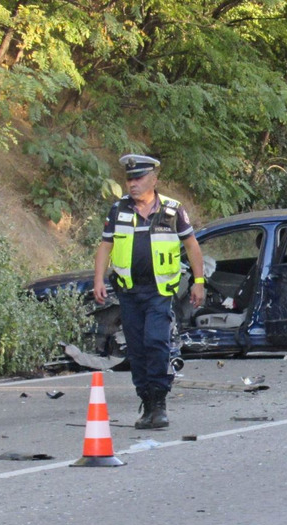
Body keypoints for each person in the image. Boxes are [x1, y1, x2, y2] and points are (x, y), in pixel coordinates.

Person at [93, 154, 205, 429]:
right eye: (129, 179)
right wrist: (97, 279)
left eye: (138, 178)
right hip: (129, 293)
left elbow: (191, 245)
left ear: (153, 180)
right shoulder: (118, 211)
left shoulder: (172, 210)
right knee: (137, 350)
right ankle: (146, 402)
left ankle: (159, 403)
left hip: (159, 293)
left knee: (156, 343)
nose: (132, 184)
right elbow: (105, 246)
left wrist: (199, 281)